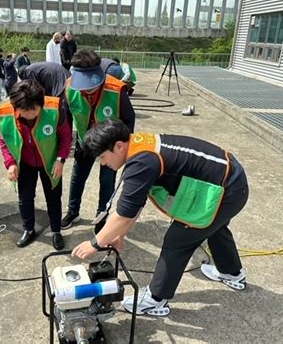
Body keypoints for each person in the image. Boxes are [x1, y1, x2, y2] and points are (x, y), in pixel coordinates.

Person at [72, 119, 249, 317]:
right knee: (214, 226)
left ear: (119, 146)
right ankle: (232, 272)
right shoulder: (139, 146)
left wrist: (95, 244)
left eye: (103, 157)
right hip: (230, 179)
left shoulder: (141, 162)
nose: (103, 163)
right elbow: (135, 204)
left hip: (229, 189)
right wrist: (119, 234)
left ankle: (155, 300)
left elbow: (124, 214)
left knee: (178, 239)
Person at [61, 49, 135, 234]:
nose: (87, 90)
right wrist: (71, 143)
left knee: (107, 180)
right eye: (83, 86)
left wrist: (122, 151)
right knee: (77, 177)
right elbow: (67, 117)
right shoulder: (70, 88)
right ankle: (73, 211)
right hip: (84, 141)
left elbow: (129, 119)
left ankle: (102, 216)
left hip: (110, 145)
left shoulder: (116, 89)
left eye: (91, 86)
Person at [0, 80, 72, 249]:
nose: (29, 115)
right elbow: (4, 141)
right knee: (25, 198)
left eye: (34, 110)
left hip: (51, 162)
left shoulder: (55, 109)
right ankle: (28, 229)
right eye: (24, 111)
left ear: (41, 104)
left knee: (53, 197)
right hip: (25, 163)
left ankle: (56, 231)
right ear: (15, 106)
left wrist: (61, 159)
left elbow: (66, 136)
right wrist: (10, 163)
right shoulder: (5, 114)